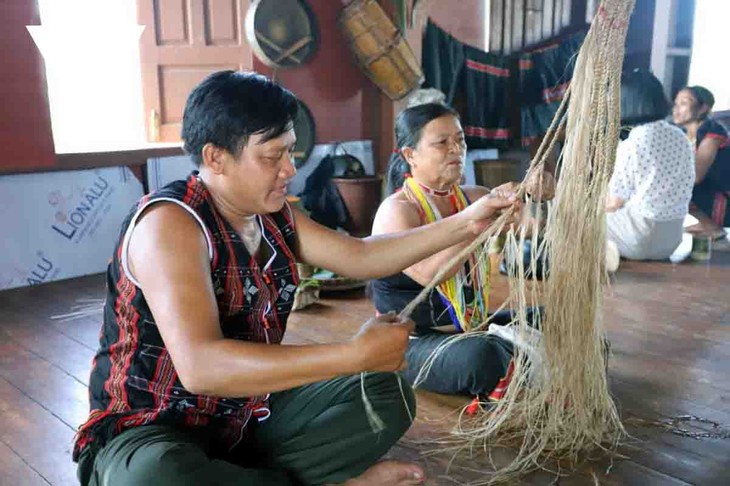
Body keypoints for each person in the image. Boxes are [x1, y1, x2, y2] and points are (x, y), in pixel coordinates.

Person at [72, 71, 520, 486]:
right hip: (153, 429)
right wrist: (351, 355)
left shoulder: (272, 215)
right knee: (156, 477)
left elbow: (361, 256)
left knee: (387, 395)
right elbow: (202, 368)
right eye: (273, 156)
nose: (290, 168)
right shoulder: (170, 223)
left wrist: (471, 221)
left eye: (289, 150)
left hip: (244, 415)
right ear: (216, 158)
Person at [370, 103, 548, 400]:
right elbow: (432, 273)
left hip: (469, 326)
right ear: (410, 155)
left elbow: (526, 223)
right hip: (411, 341)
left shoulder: (472, 197)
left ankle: (520, 360)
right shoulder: (397, 211)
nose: (456, 149)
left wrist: (532, 193)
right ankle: (518, 362)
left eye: (460, 140)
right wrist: (476, 223)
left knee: (551, 319)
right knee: (483, 356)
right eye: (442, 143)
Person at [604, 69, 695, 261]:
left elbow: (614, 202)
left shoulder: (633, 143)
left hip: (642, 237)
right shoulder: (681, 137)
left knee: (582, 220)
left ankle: (609, 255)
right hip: (672, 237)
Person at [672, 85, 730, 235]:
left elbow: (696, 176)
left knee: (675, 187)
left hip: (722, 197)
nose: (677, 109)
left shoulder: (713, 132)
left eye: (684, 103)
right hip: (708, 191)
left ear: (703, 108)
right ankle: (705, 223)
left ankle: (711, 226)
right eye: (676, 103)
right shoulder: (682, 134)